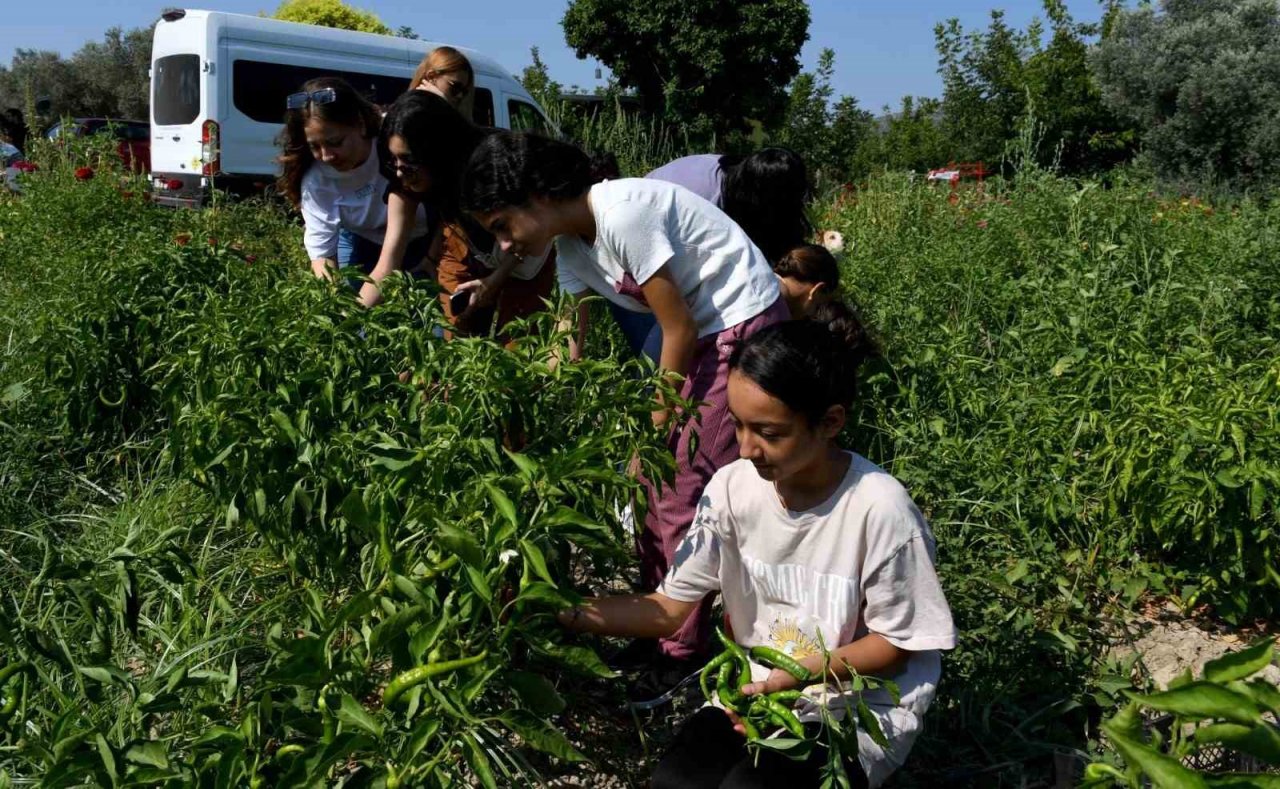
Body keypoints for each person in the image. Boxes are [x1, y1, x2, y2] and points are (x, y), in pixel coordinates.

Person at [557, 305, 956, 788]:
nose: (745, 448)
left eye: (768, 433)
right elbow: (666, 609)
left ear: (830, 422)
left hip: (852, 705)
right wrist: (561, 612)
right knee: (673, 783)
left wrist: (796, 675)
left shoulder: (880, 510)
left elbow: (895, 645)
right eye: (739, 424)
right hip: (755, 686)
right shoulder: (732, 488)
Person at [461, 132, 790, 704]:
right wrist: (536, 398)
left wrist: (656, 421)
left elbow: (679, 328)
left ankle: (683, 651)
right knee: (644, 481)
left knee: (677, 482)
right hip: (701, 337)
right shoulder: (570, 248)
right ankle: (653, 622)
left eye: (502, 225)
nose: (505, 243)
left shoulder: (622, 211)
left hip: (741, 323)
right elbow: (569, 339)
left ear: (537, 196)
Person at [376, 91, 555, 336]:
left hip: (526, 249)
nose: (399, 171)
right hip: (474, 246)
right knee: (455, 330)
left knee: (516, 339)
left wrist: (494, 281)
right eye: (393, 160)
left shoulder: (491, 163)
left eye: (408, 160)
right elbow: (386, 264)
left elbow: (527, 234)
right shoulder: (408, 177)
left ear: (435, 151)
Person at [614, 148, 814, 359]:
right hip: (633, 258)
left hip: (668, 246)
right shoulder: (702, 202)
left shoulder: (745, 183)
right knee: (663, 350)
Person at [277, 77, 431, 289]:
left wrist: (434, 255)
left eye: (335, 142)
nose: (326, 156)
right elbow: (323, 258)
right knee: (355, 301)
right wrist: (334, 301)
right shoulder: (316, 181)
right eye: (314, 146)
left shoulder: (393, 142)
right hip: (362, 242)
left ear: (359, 123)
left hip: (423, 241)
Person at [775, 243, 840, 319]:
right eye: (817, 306)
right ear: (816, 290)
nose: (811, 314)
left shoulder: (762, 267)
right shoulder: (774, 318)